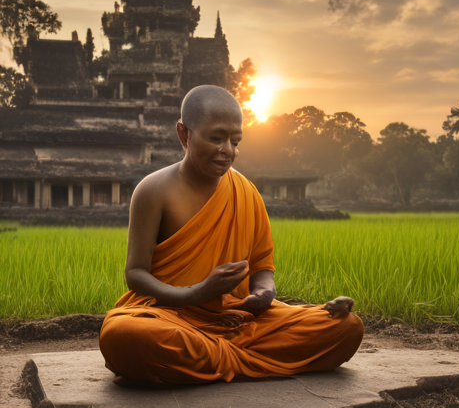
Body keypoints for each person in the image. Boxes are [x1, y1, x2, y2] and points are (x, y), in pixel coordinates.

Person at [99, 85, 364, 386]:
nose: (229, 150)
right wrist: (197, 292)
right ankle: (250, 363)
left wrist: (263, 294)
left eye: (235, 141)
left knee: (347, 327)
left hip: (238, 320)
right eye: (216, 138)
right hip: (169, 315)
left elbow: (262, 266)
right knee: (122, 336)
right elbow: (136, 274)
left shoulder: (246, 191)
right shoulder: (153, 190)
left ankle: (212, 363)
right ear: (184, 134)